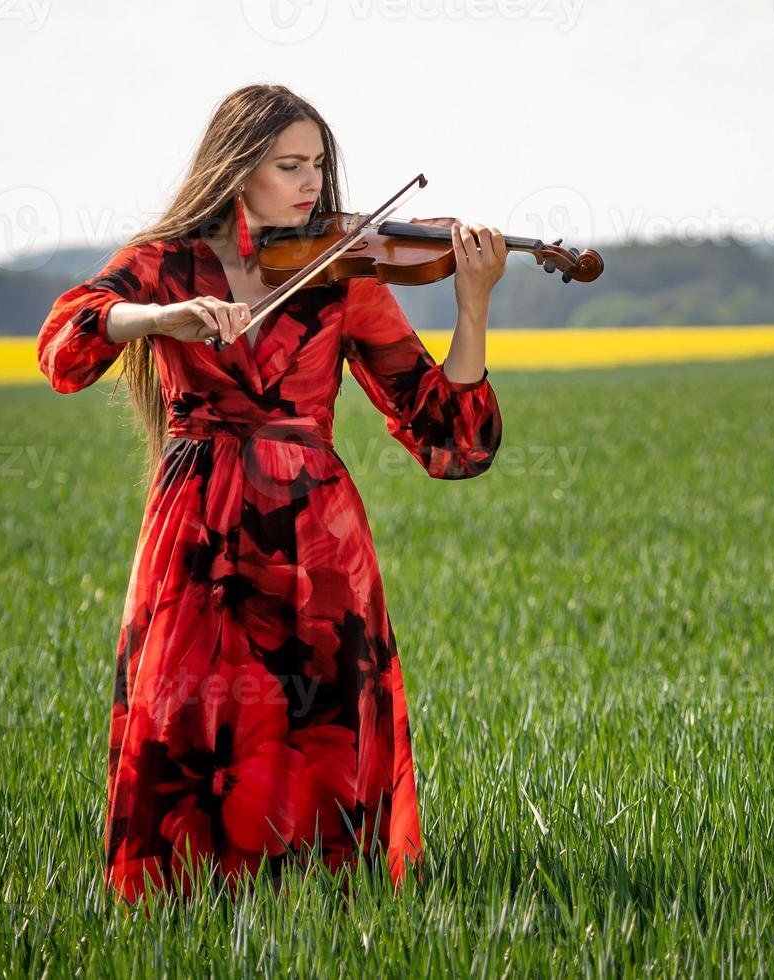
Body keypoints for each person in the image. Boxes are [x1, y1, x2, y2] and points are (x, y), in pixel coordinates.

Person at [35, 83, 507, 904]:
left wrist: (472, 308)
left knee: (318, 720)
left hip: (314, 531)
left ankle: (329, 910)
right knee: (184, 716)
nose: (312, 184)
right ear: (236, 167)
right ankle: (181, 909)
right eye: (290, 164)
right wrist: (159, 320)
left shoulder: (344, 271)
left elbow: (449, 439)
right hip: (195, 525)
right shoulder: (163, 263)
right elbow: (64, 345)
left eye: (318, 165)